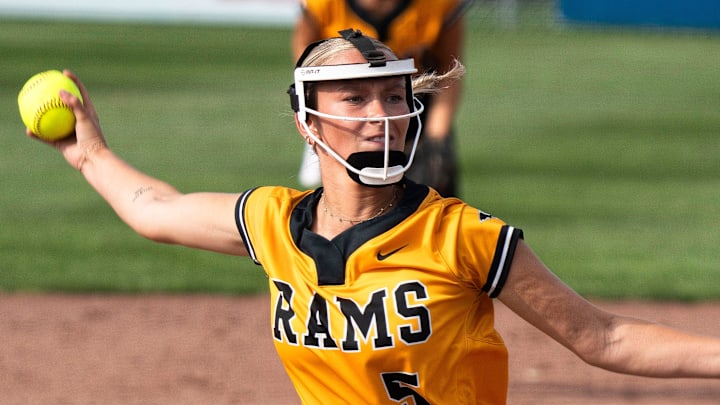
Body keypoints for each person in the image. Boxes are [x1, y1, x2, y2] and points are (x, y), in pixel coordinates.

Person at [28, 30, 720, 404]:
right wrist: (87, 152)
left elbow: (603, 337)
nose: (381, 115)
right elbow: (158, 210)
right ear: (307, 121)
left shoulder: (463, 236)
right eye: (353, 99)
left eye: (390, 97)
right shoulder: (274, 221)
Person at [292, 0, 471, 197]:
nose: (378, 113)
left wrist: (437, 136)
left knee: (433, 208)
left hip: (413, 108)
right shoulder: (323, 5)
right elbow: (305, 58)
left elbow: (449, 71)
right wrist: (320, 109)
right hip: (348, 118)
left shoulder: (439, 5)